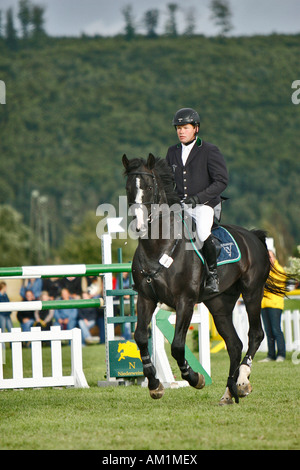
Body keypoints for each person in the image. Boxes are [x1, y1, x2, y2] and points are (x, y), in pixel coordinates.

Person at [166, 107, 228, 294]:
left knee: (202, 233)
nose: (181, 131)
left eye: (185, 127)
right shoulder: (172, 151)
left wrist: (198, 198)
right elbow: (168, 181)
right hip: (181, 205)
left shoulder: (209, 150)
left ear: (196, 128)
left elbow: (222, 181)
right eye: (178, 128)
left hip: (204, 205)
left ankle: (212, 275)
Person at [259, 248, 286, 362]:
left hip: (275, 304)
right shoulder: (264, 270)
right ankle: (271, 355)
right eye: (267, 257)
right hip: (264, 304)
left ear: (274, 257)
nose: (269, 259)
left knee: (276, 330)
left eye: (270, 256)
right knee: (268, 331)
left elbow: (270, 285)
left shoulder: (279, 270)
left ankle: (281, 354)